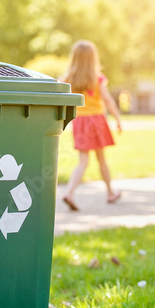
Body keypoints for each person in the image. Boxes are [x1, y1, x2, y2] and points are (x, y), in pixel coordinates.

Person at [60, 40, 123, 211]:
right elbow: (108, 100)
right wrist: (118, 119)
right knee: (101, 158)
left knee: (83, 161)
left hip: (79, 121)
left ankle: (69, 193)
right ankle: (110, 192)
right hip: (96, 120)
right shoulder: (97, 78)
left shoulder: (67, 79)